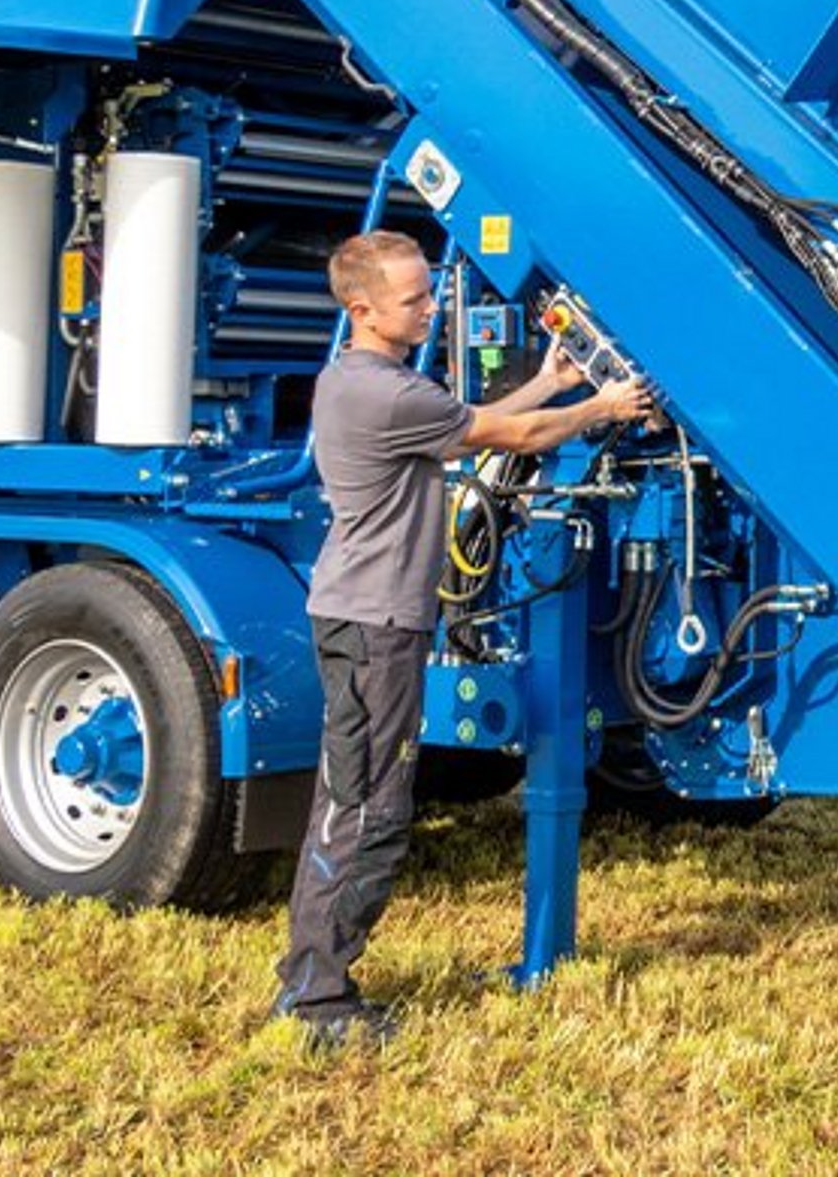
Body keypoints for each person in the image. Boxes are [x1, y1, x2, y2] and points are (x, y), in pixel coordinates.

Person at [274, 229, 653, 1046]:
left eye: (426, 292)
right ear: (363, 308)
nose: (429, 307)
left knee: (350, 799)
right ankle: (316, 1000)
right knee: (370, 808)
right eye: (413, 299)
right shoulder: (387, 395)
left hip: (360, 614)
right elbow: (506, 439)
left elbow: (471, 420)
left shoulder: (361, 382)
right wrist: (601, 407)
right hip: (376, 626)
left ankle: (310, 979)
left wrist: (551, 379)